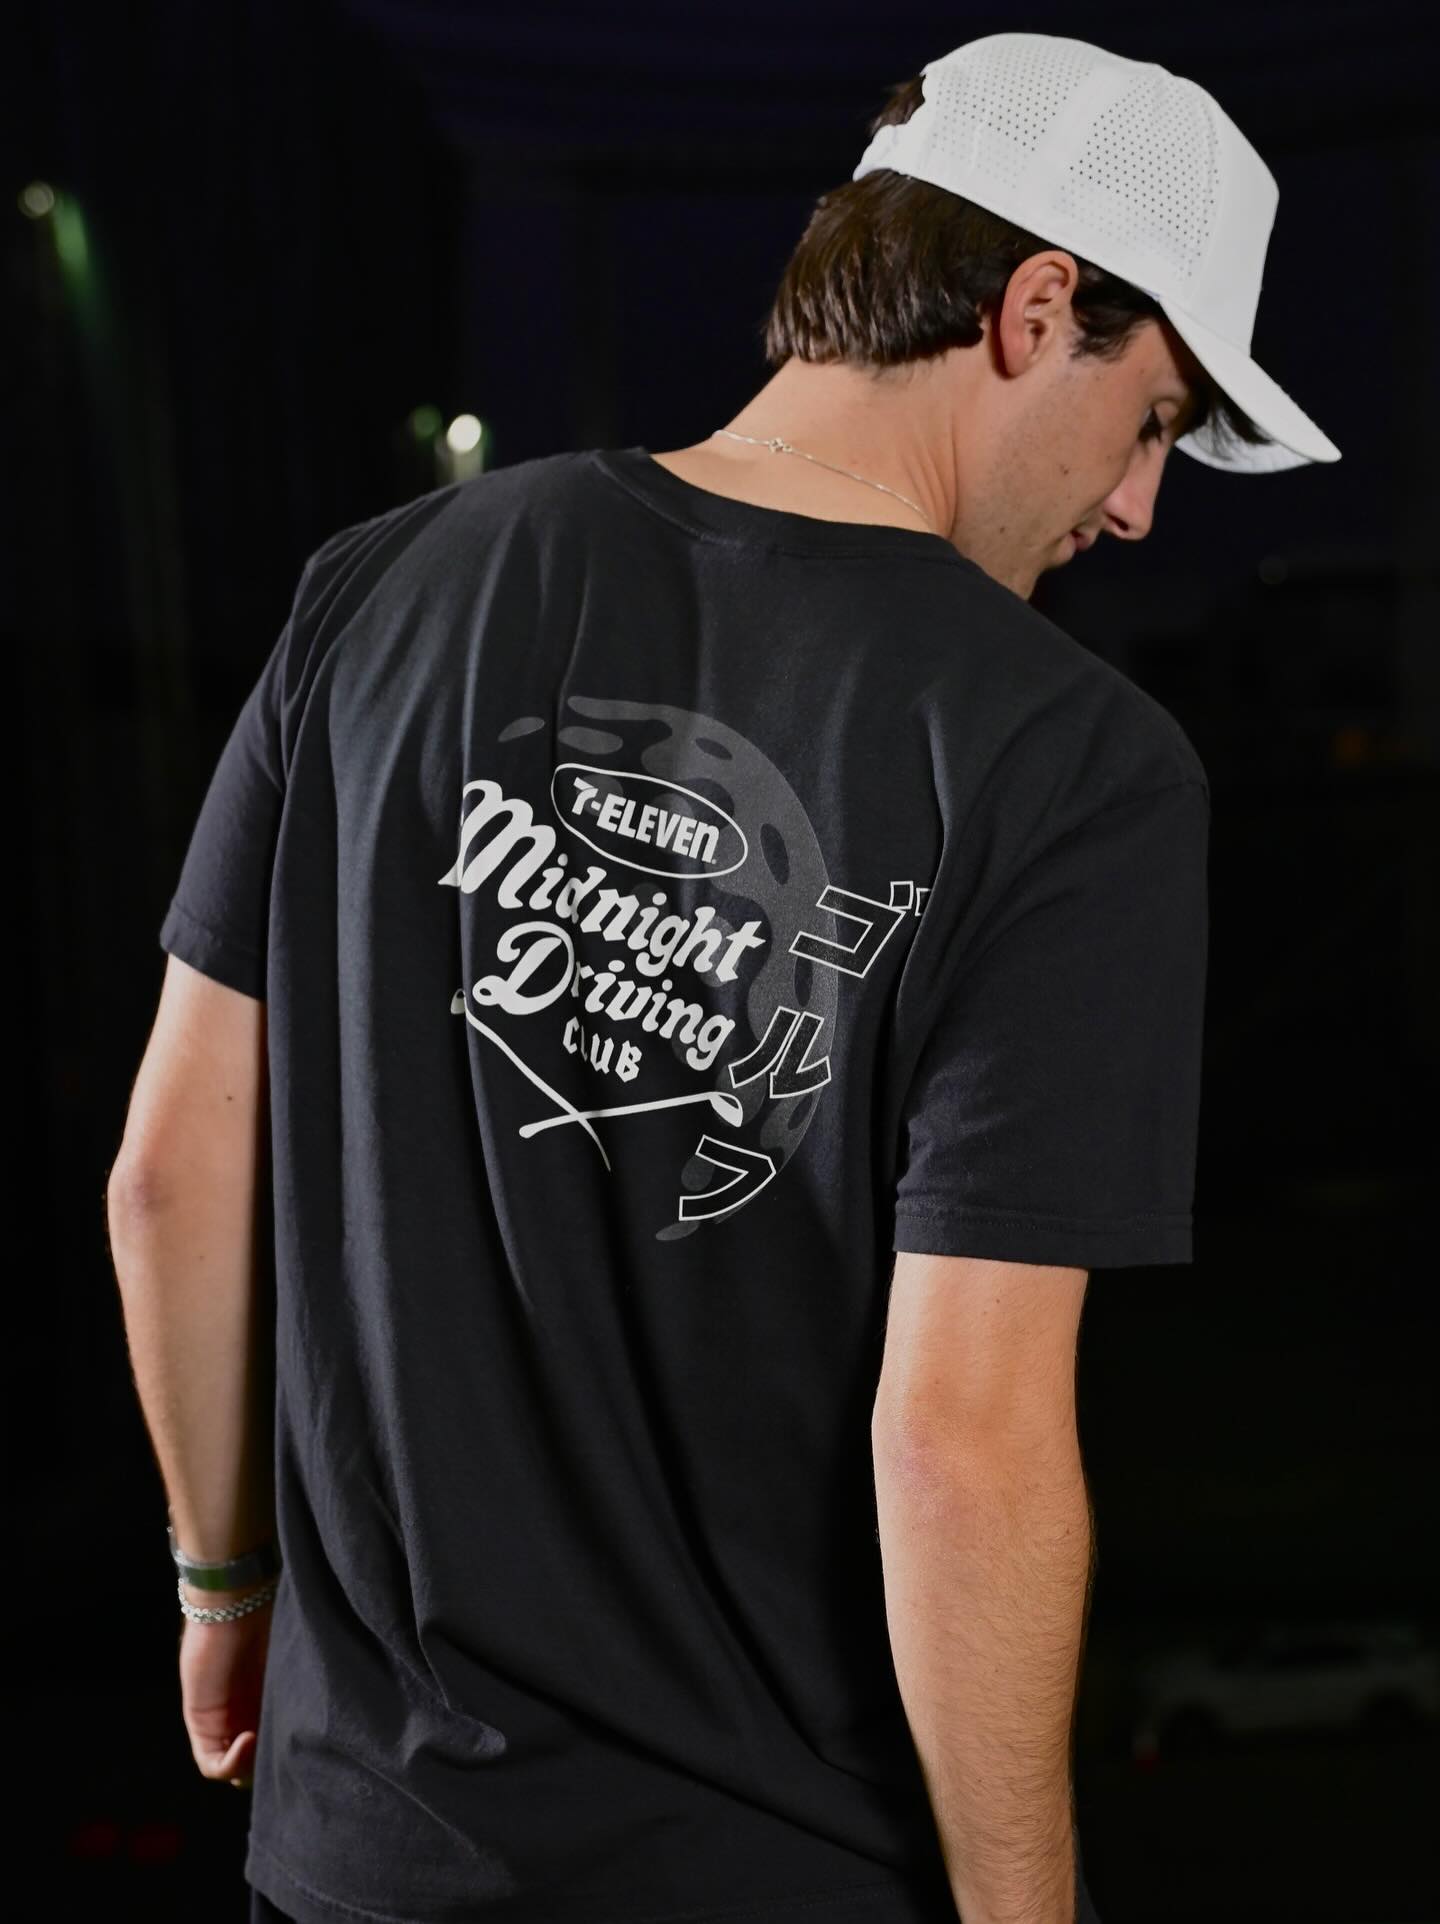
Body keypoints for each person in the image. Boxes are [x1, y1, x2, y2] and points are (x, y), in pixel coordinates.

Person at [106, 30, 1339, 1924]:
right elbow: (963, 1443)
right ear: (1035, 311)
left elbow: (172, 1174)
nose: (1139, 508)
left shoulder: (384, 586)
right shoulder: (1071, 762)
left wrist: (222, 1587)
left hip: (358, 1860)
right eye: (1157, 418)